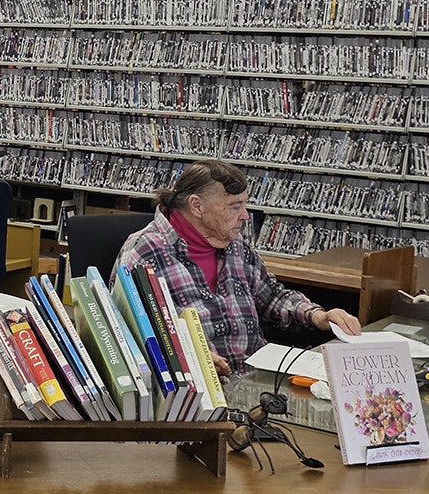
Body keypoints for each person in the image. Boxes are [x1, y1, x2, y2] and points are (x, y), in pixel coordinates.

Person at [114, 159, 360, 375]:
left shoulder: (234, 244)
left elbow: (271, 296)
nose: (245, 215)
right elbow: (133, 329)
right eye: (234, 206)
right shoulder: (145, 251)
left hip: (256, 376)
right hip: (201, 390)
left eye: (244, 204)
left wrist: (317, 315)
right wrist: (187, 356)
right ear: (197, 206)